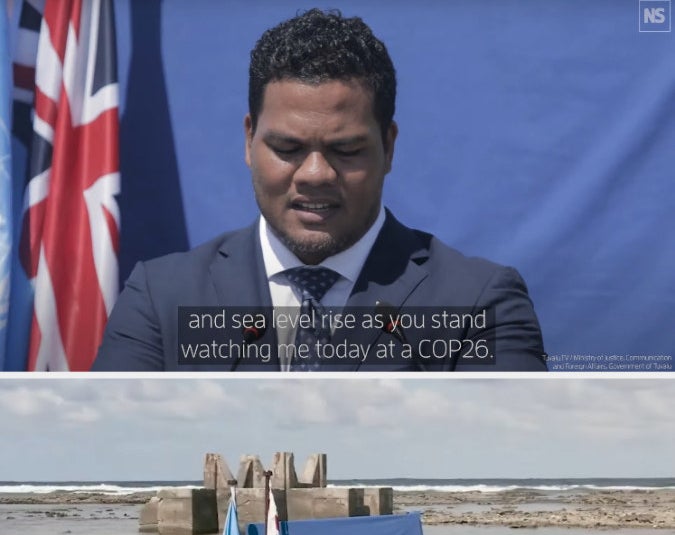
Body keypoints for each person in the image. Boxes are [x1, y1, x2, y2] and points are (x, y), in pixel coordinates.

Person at [92, 8, 546, 372]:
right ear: (249, 140)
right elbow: (111, 465)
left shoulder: (477, 303)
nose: (314, 173)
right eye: (287, 147)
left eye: (345, 149)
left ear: (388, 147)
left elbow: (507, 473)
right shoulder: (161, 295)